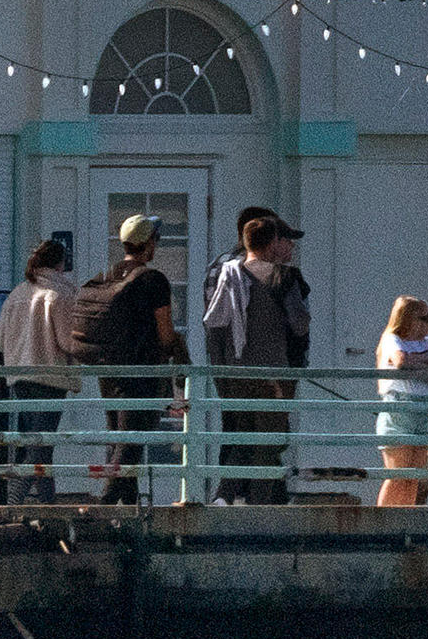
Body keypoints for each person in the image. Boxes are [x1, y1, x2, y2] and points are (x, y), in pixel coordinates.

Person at [198, 206, 313, 503]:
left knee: (242, 437)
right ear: (271, 242)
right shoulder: (282, 277)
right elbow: (300, 324)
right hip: (273, 373)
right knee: (270, 440)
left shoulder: (228, 273)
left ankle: (224, 496)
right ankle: (258, 502)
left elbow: (215, 323)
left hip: (236, 371)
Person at [76, 215, 180, 494]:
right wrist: (178, 356)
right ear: (148, 244)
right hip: (140, 373)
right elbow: (166, 334)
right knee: (130, 443)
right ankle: (105, 507)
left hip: (109, 373)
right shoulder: (152, 280)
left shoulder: (107, 275)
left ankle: (126, 514)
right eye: (155, 240)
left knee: (119, 439)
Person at [0, 233, 77, 495]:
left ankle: (46, 499)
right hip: (49, 378)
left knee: (33, 443)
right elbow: (68, 343)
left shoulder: (17, 294)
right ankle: (18, 495)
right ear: (60, 264)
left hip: (19, 378)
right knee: (42, 445)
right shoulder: (59, 294)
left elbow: (0, 341)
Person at [371, 297, 428, 508]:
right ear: (408, 319)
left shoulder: (427, 343)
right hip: (399, 407)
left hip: (421, 408)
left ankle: (403, 521)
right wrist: (426, 365)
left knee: (413, 478)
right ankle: (382, 522)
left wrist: (418, 364)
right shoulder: (391, 338)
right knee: (397, 475)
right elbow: (401, 361)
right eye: (423, 318)